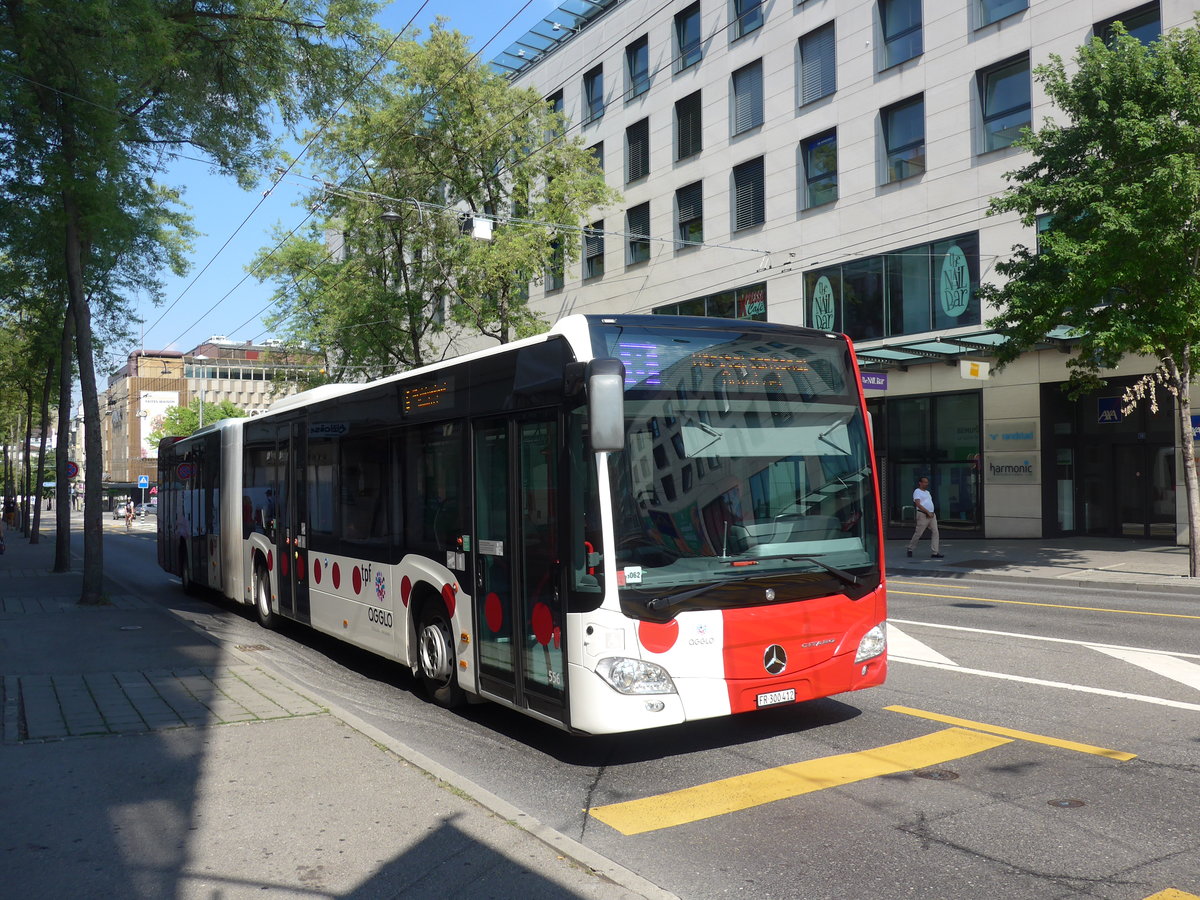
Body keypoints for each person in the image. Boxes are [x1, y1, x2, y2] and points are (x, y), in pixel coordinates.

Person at [907, 475, 943, 559]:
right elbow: (918, 504)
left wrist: (931, 512)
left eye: (927, 482)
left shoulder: (927, 492)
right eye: (925, 482)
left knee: (935, 532)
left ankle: (935, 552)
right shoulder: (917, 491)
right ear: (920, 483)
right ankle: (910, 548)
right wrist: (927, 512)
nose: (926, 484)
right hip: (923, 514)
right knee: (918, 533)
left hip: (931, 515)